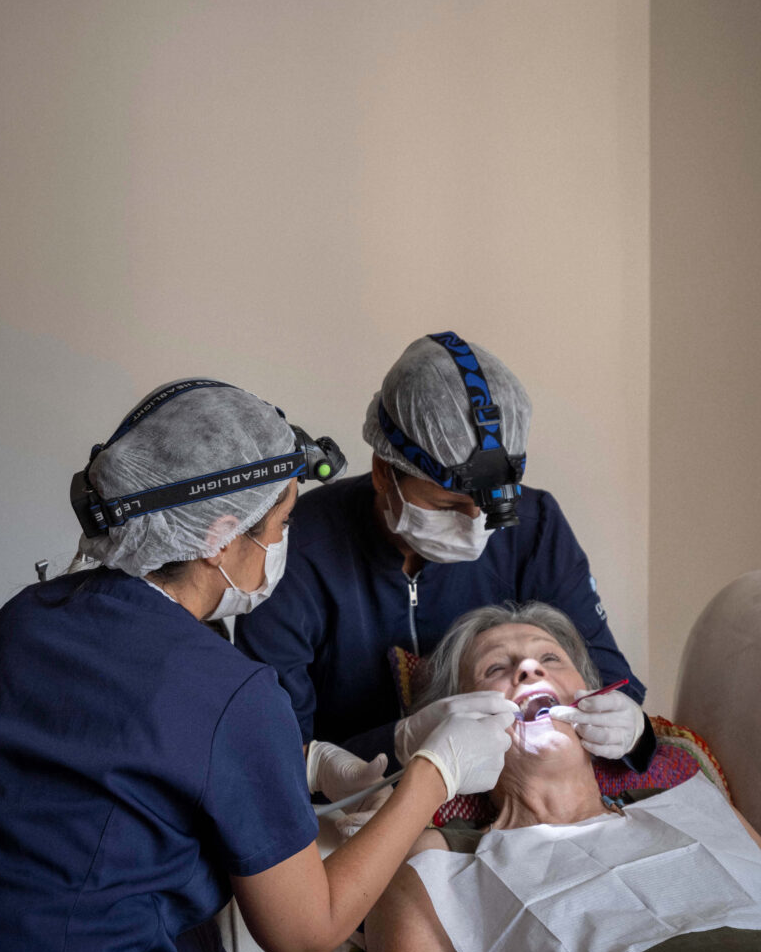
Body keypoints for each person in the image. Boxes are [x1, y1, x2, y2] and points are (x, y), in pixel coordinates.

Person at [0, 379, 516, 952]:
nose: (281, 545)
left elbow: (114, 747)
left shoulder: (28, 616)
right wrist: (437, 772)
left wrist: (299, 760)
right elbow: (305, 935)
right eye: (280, 523)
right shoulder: (231, 690)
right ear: (219, 537)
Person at [236, 330, 655, 779]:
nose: (475, 526)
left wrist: (629, 726)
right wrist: (395, 747)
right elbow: (273, 749)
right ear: (384, 472)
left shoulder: (535, 525)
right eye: (449, 506)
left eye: (492, 508)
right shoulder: (293, 547)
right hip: (358, 804)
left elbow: (603, 671)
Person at [364, 602, 761, 952]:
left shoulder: (690, 795)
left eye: (550, 659)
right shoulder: (432, 859)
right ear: (457, 718)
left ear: (591, 696)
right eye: (495, 669)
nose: (528, 668)